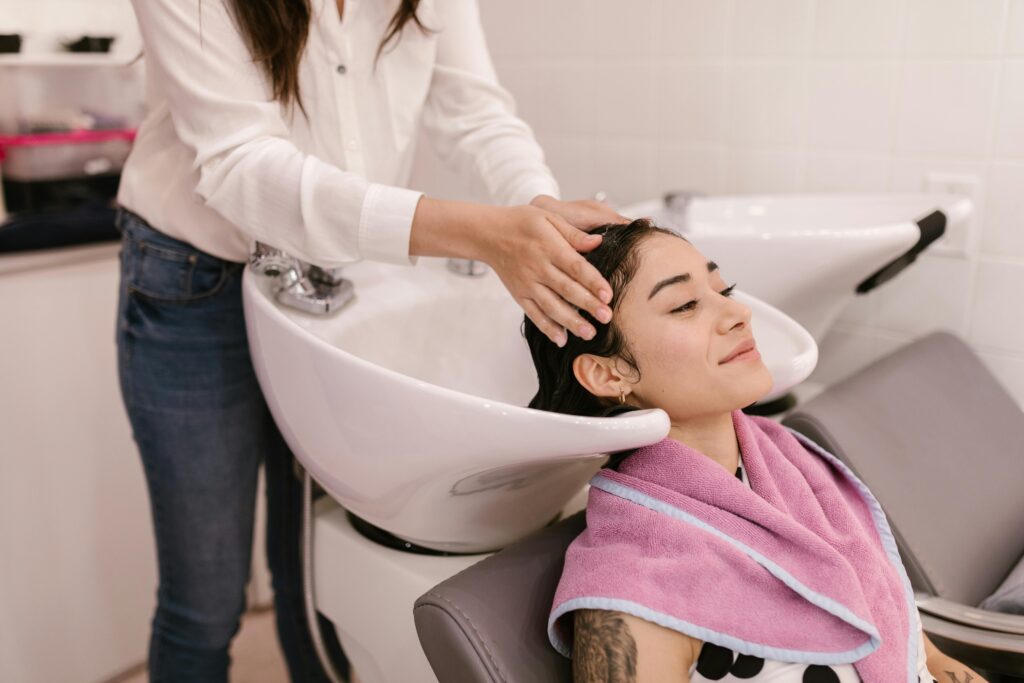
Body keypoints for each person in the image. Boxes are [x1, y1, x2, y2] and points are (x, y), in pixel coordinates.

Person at [117, 0, 626, 680]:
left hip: (333, 274)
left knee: (313, 571)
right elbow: (242, 164)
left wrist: (538, 208)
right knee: (205, 599)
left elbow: (473, 110)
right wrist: (478, 231)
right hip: (194, 281)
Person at [524, 219, 986, 683]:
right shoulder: (634, 585)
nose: (738, 314)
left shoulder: (795, 475)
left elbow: (920, 654)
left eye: (724, 291)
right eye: (684, 304)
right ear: (610, 375)